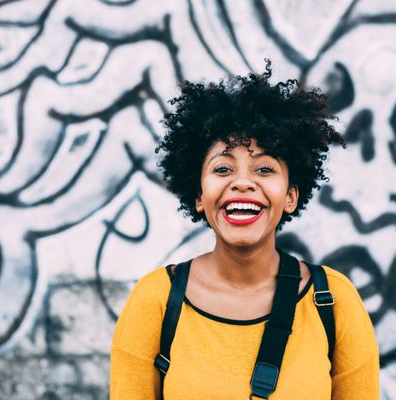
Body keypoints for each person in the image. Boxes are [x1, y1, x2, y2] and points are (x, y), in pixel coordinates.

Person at [110, 61, 379, 399]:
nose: (242, 182)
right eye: (223, 168)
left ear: (291, 196)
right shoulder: (156, 301)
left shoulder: (334, 302)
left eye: (264, 169)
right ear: (198, 195)